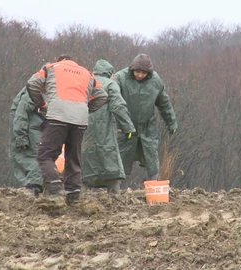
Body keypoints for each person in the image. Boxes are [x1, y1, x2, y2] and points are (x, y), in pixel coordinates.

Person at [26, 54, 108, 204]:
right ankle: (73, 192)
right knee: (73, 157)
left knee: (45, 155)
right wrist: (85, 109)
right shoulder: (87, 73)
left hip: (57, 116)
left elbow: (31, 85)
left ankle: (54, 184)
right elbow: (102, 95)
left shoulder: (51, 68)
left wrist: (42, 104)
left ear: (60, 61)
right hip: (80, 119)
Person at [114, 53, 178, 186]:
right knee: (120, 161)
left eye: (143, 73)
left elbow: (164, 103)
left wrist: (171, 122)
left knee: (152, 161)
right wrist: (123, 124)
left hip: (147, 129)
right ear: (132, 69)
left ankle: (154, 189)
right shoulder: (120, 78)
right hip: (124, 128)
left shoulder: (155, 81)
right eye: (137, 72)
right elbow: (113, 100)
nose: (140, 75)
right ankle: (116, 192)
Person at [80, 59, 136, 195]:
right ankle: (114, 195)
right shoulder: (111, 84)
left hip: (82, 126)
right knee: (109, 156)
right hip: (104, 128)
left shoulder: (86, 81)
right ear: (110, 73)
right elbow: (118, 106)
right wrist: (128, 128)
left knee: (84, 156)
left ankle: (80, 195)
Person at [9, 87, 46, 197]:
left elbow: (20, 114)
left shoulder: (37, 89)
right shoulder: (38, 91)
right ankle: (33, 189)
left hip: (33, 132)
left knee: (35, 159)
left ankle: (33, 189)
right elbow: (21, 114)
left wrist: (20, 137)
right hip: (33, 132)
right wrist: (21, 137)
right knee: (37, 159)